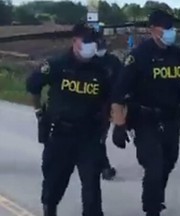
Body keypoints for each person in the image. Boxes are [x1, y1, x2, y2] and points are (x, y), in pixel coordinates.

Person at [110, 9, 180, 216]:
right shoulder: (138, 57)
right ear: (153, 30)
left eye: (173, 27)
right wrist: (119, 125)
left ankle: (155, 196)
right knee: (153, 166)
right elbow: (118, 94)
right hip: (146, 120)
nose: (172, 32)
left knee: (168, 162)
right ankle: (152, 208)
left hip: (172, 119)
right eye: (167, 28)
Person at [26, 23, 110, 216]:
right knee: (55, 182)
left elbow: (108, 101)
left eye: (93, 41)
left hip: (88, 135)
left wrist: (104, 131)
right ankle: (50, 208)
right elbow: (33, 85)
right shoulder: (57, 64)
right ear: (75, 41)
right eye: (86, 41)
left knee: (91, 187)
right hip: (61, 134)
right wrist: (40, 112)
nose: (91, 45)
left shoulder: (101, 70)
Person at [95, 36, 122, 181]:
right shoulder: (87, 61)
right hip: (89, 104)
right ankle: (104, 167)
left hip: (107, 104)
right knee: (96, 138)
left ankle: (101, 164)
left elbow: (121, 82)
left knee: (99, 137)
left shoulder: (113, 62)